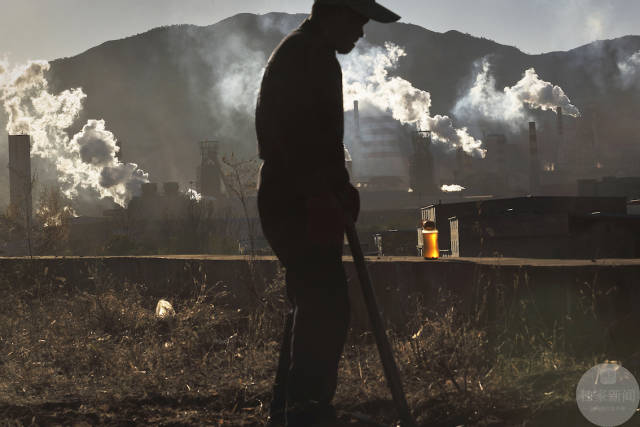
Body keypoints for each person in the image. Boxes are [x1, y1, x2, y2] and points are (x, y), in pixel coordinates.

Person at [255, 1, 400, 425]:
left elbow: (313, 138)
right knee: (325, 304)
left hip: (297, 194)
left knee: (313, 301)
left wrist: (336, 189)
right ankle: (305, 413)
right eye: (357, 19)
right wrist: (323, 193)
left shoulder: (305, 52)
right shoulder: (309, 55)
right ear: (332, 12)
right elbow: (300, 138)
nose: (361, 31)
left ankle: (291, 411)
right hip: (298, 197)